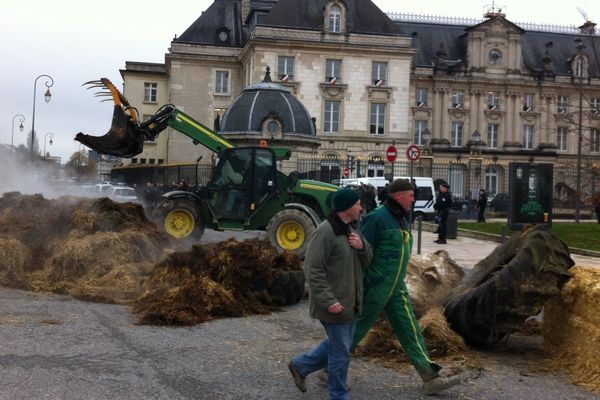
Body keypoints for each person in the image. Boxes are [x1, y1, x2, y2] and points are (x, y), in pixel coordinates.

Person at [353, 178, 461, 395]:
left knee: (410, 329)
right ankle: (311, 365)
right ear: (398, 195)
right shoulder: (377, 219)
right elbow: (360, 253)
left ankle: (429, 376)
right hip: (377, 286)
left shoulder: (402, 218)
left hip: (396, 288)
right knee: (354, 332)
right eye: (410, 195)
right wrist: (365, 281)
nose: (413, 200)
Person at [288, 188, 373, 400]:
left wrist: (362, 247)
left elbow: (368, 261)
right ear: (346, 208)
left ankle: (300, 366)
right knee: (340, 353)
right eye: (357, 204)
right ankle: (338, 395)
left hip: (351, 303)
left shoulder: (353, 229)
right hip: (334, 305)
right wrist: (329, 301)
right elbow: (312, 269)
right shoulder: (326, 231)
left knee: (338, 345)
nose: (360, 208)